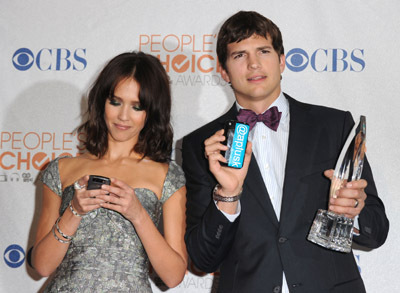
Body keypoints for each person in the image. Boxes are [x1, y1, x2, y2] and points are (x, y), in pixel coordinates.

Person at [182, 11, 389, 293]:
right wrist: (227, 195)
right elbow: (203, 258)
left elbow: (376, 232)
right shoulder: (202, 145)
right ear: (223, 71)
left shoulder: (333, 126)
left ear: (281, 61)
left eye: (263, 51)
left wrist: (353, 211)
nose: (253, 64)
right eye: (239, 55)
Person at [32, 52, 187, 292]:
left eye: (137, 107)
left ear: (152, 112)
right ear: (101, 101)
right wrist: (74, 211)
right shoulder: (62, 170)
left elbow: (173, 276)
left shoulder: (167, 175)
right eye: (115, 102)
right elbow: (42, 266)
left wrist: (138, 214)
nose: (123, 116)